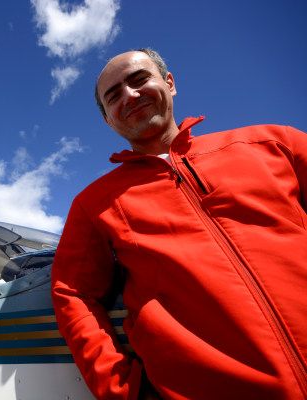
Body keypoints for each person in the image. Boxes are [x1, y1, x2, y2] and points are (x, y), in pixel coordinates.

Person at [51, 48, 307, 399]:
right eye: (113, 96)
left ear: (169, 83)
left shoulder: (276, 143)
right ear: (109, 120)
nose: (129, 94)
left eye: (139, 79)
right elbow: (73, 294)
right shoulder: (93, 204)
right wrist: (121, 390)